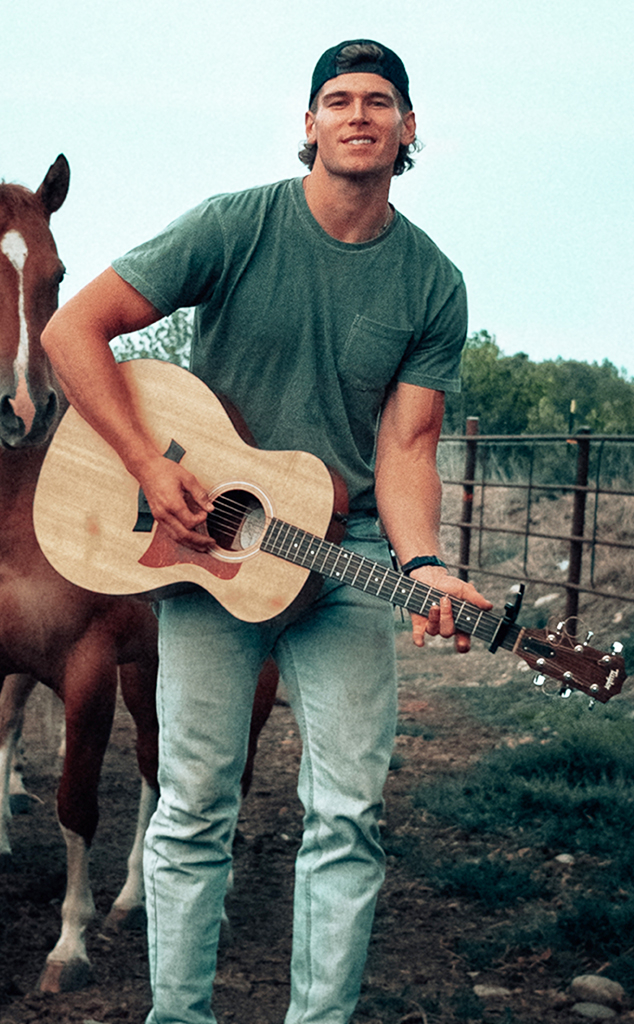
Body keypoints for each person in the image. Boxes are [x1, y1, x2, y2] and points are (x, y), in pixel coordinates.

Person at [42, 38, 492, 1024]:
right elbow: (71, 331)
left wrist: (422, 563)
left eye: (380, 101)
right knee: (193, 806)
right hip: (209, 550)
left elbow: (406, 445)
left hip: (346, 555)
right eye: (339, 99)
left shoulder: (432, 282)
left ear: (409, 128)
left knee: (348, 817)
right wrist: (147, 463)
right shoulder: (234, 225)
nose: (359, 114)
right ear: (309, 123)